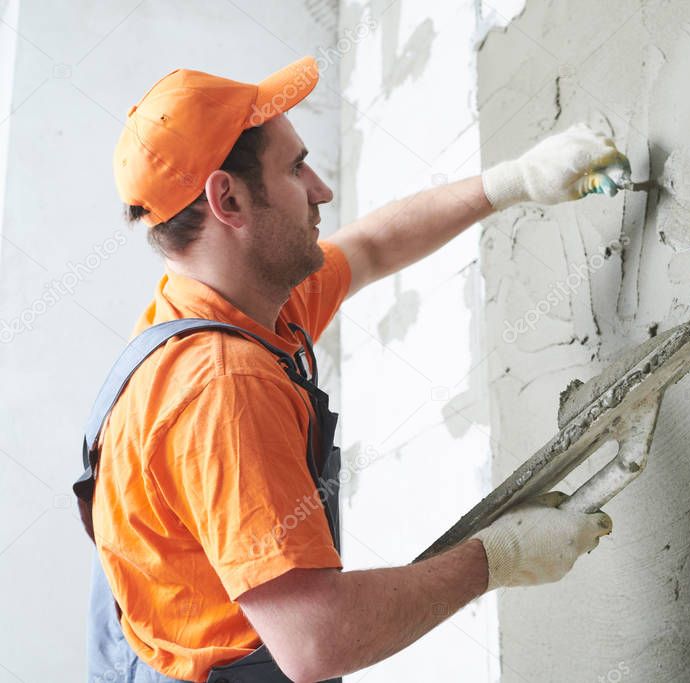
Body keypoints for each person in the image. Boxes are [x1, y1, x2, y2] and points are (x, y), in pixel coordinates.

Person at [75, 55, 624, 683]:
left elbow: (369, 247)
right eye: (295, 168)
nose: (322, 190)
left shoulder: (218, 304)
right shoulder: (222, 389)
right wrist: (499, 558)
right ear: (227, 199)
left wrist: (516, 180)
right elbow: (314, 641)